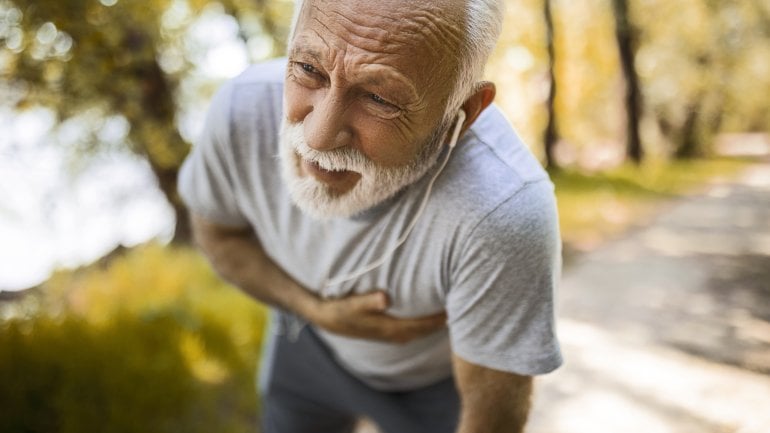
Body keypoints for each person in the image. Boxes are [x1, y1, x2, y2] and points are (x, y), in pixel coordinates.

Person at [178, 0, 562, 431]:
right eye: (308, 69)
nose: (319, 137)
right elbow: (220, 236)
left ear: (465, 111)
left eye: (380, 98)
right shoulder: (239, 111)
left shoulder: (501, 211)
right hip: (305, 342)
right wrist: (313, 310)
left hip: (435, 386)